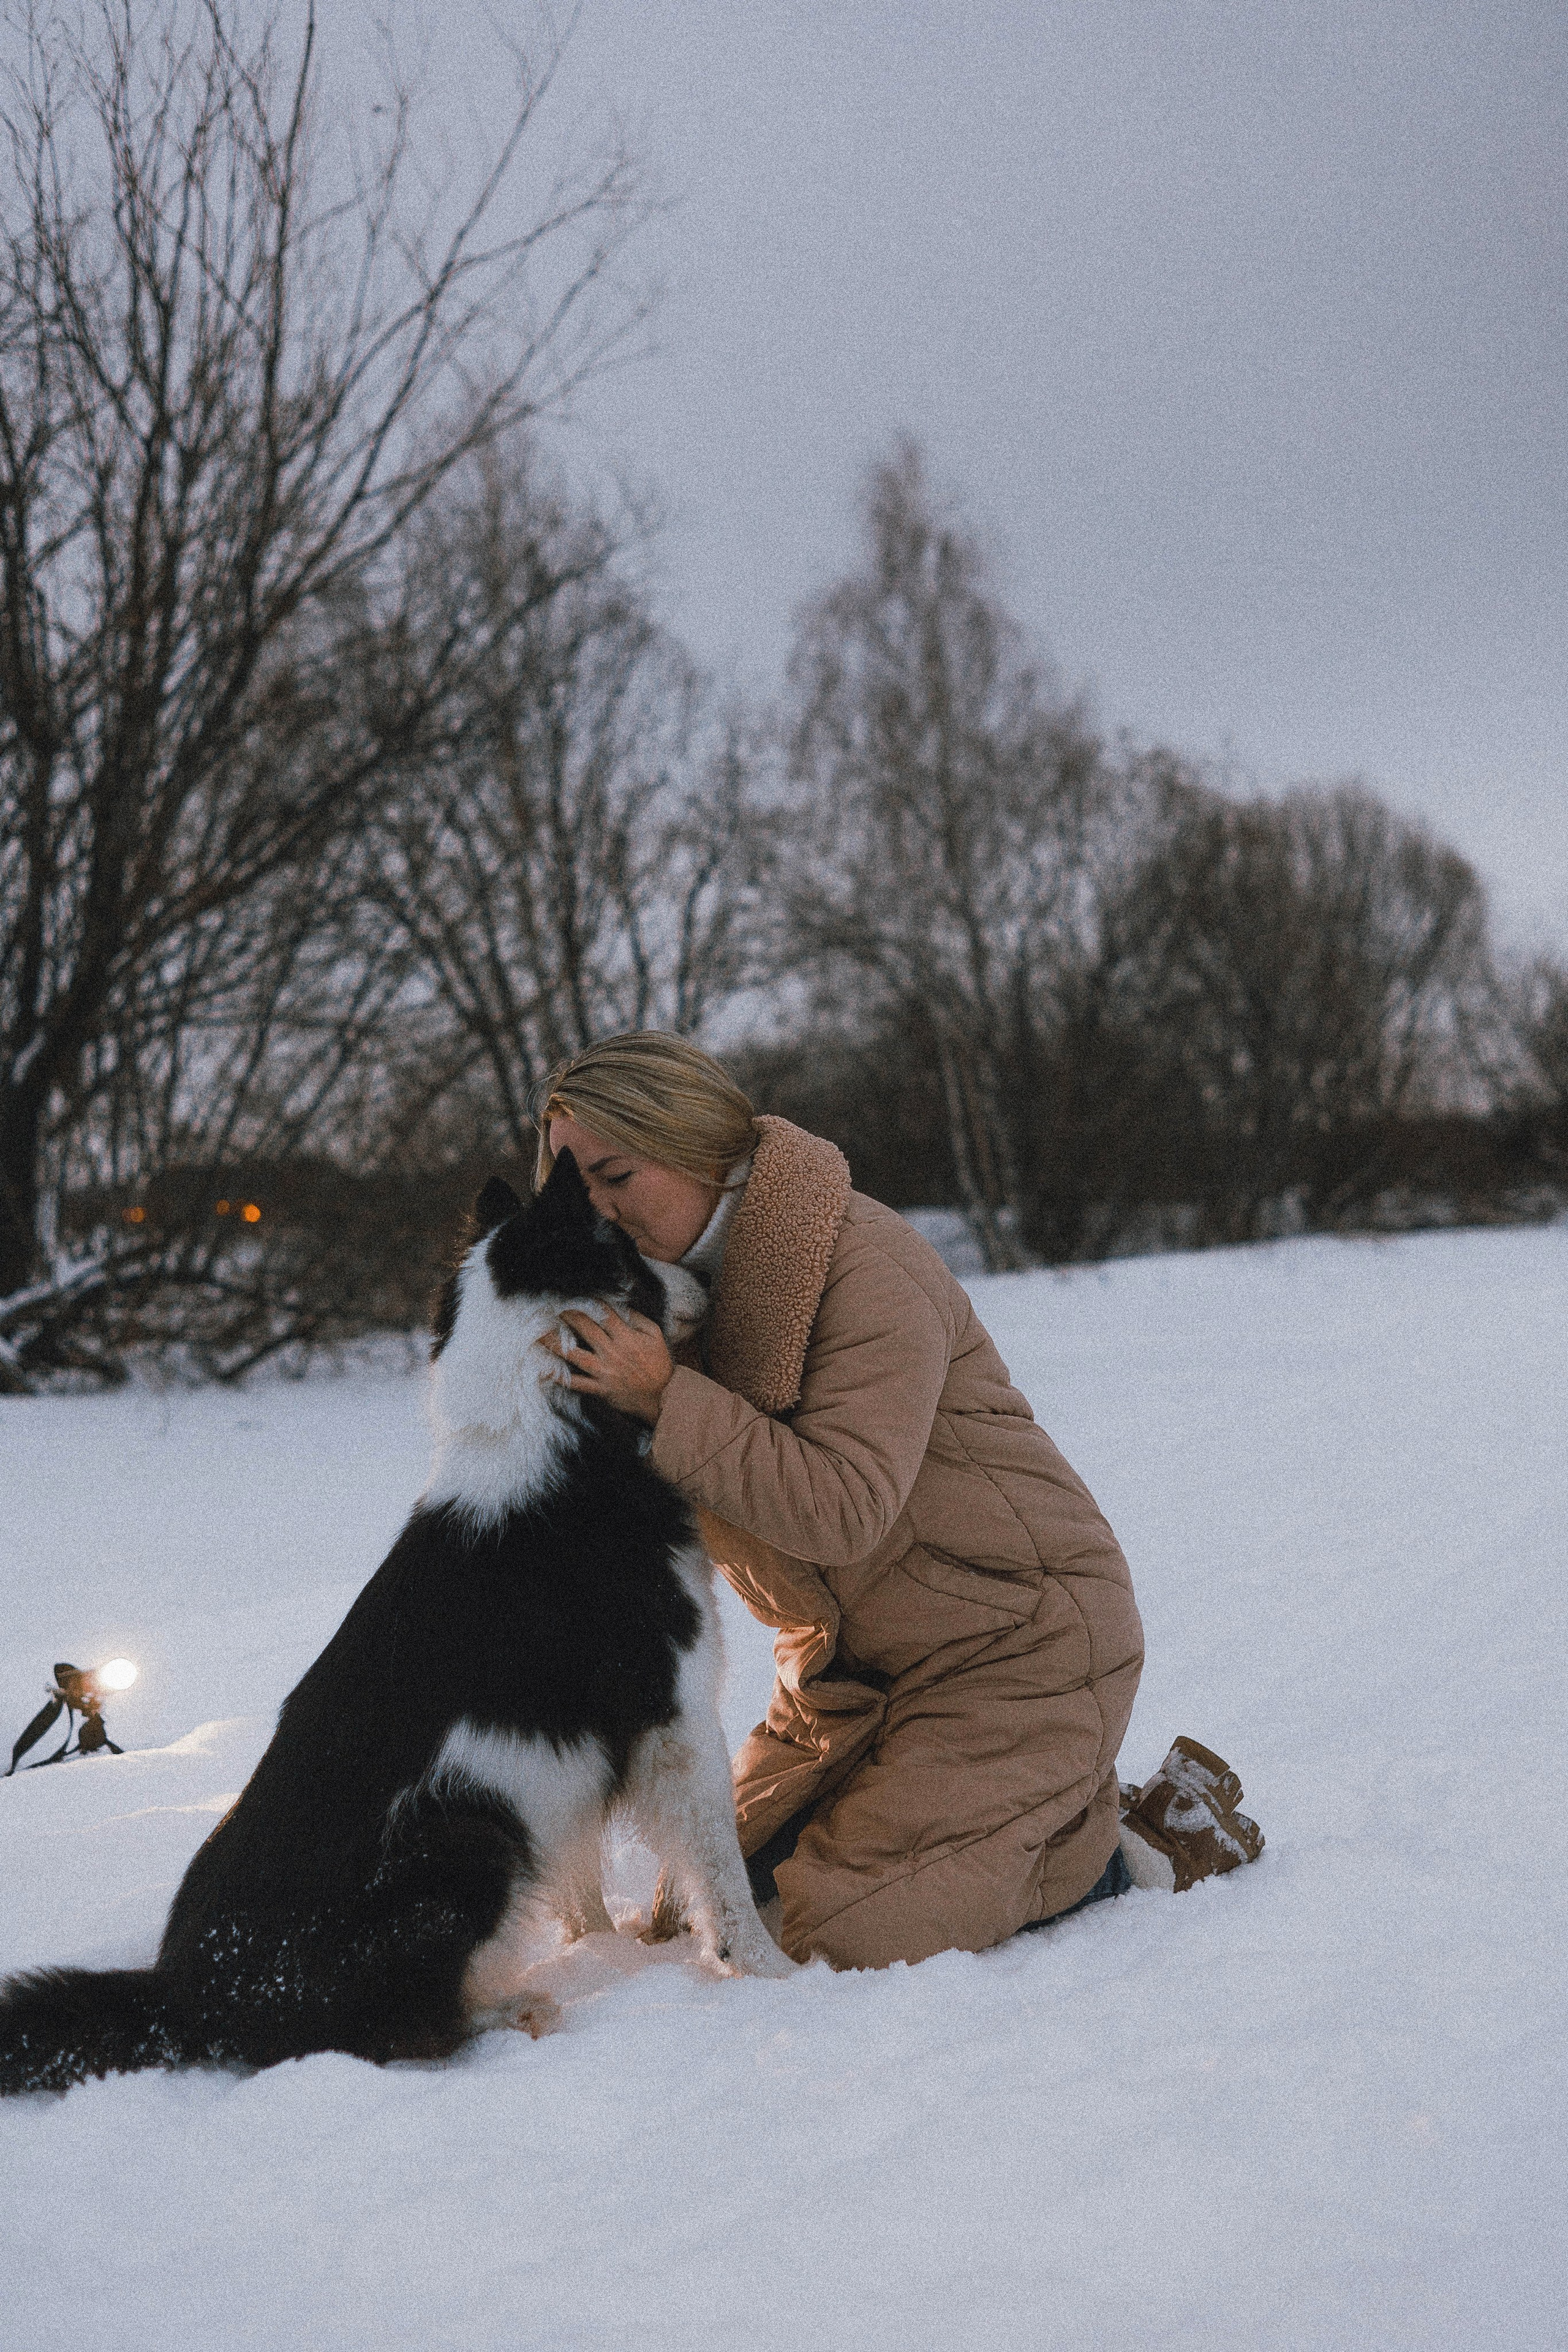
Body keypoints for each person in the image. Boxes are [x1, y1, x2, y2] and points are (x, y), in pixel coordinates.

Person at [535, 1031, 1262, 1970]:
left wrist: (664, 1398)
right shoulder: (655, 1307)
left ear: (699, 1150)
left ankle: (1139, 1846)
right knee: (700, 1901)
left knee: (846, 1930)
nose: (587, 1208)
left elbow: (843, 1507)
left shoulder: (857, 1263)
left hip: (1020, 1648)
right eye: (566, 1181)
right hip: (847, 1679)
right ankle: (1021, 1812)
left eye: (615, 1174)